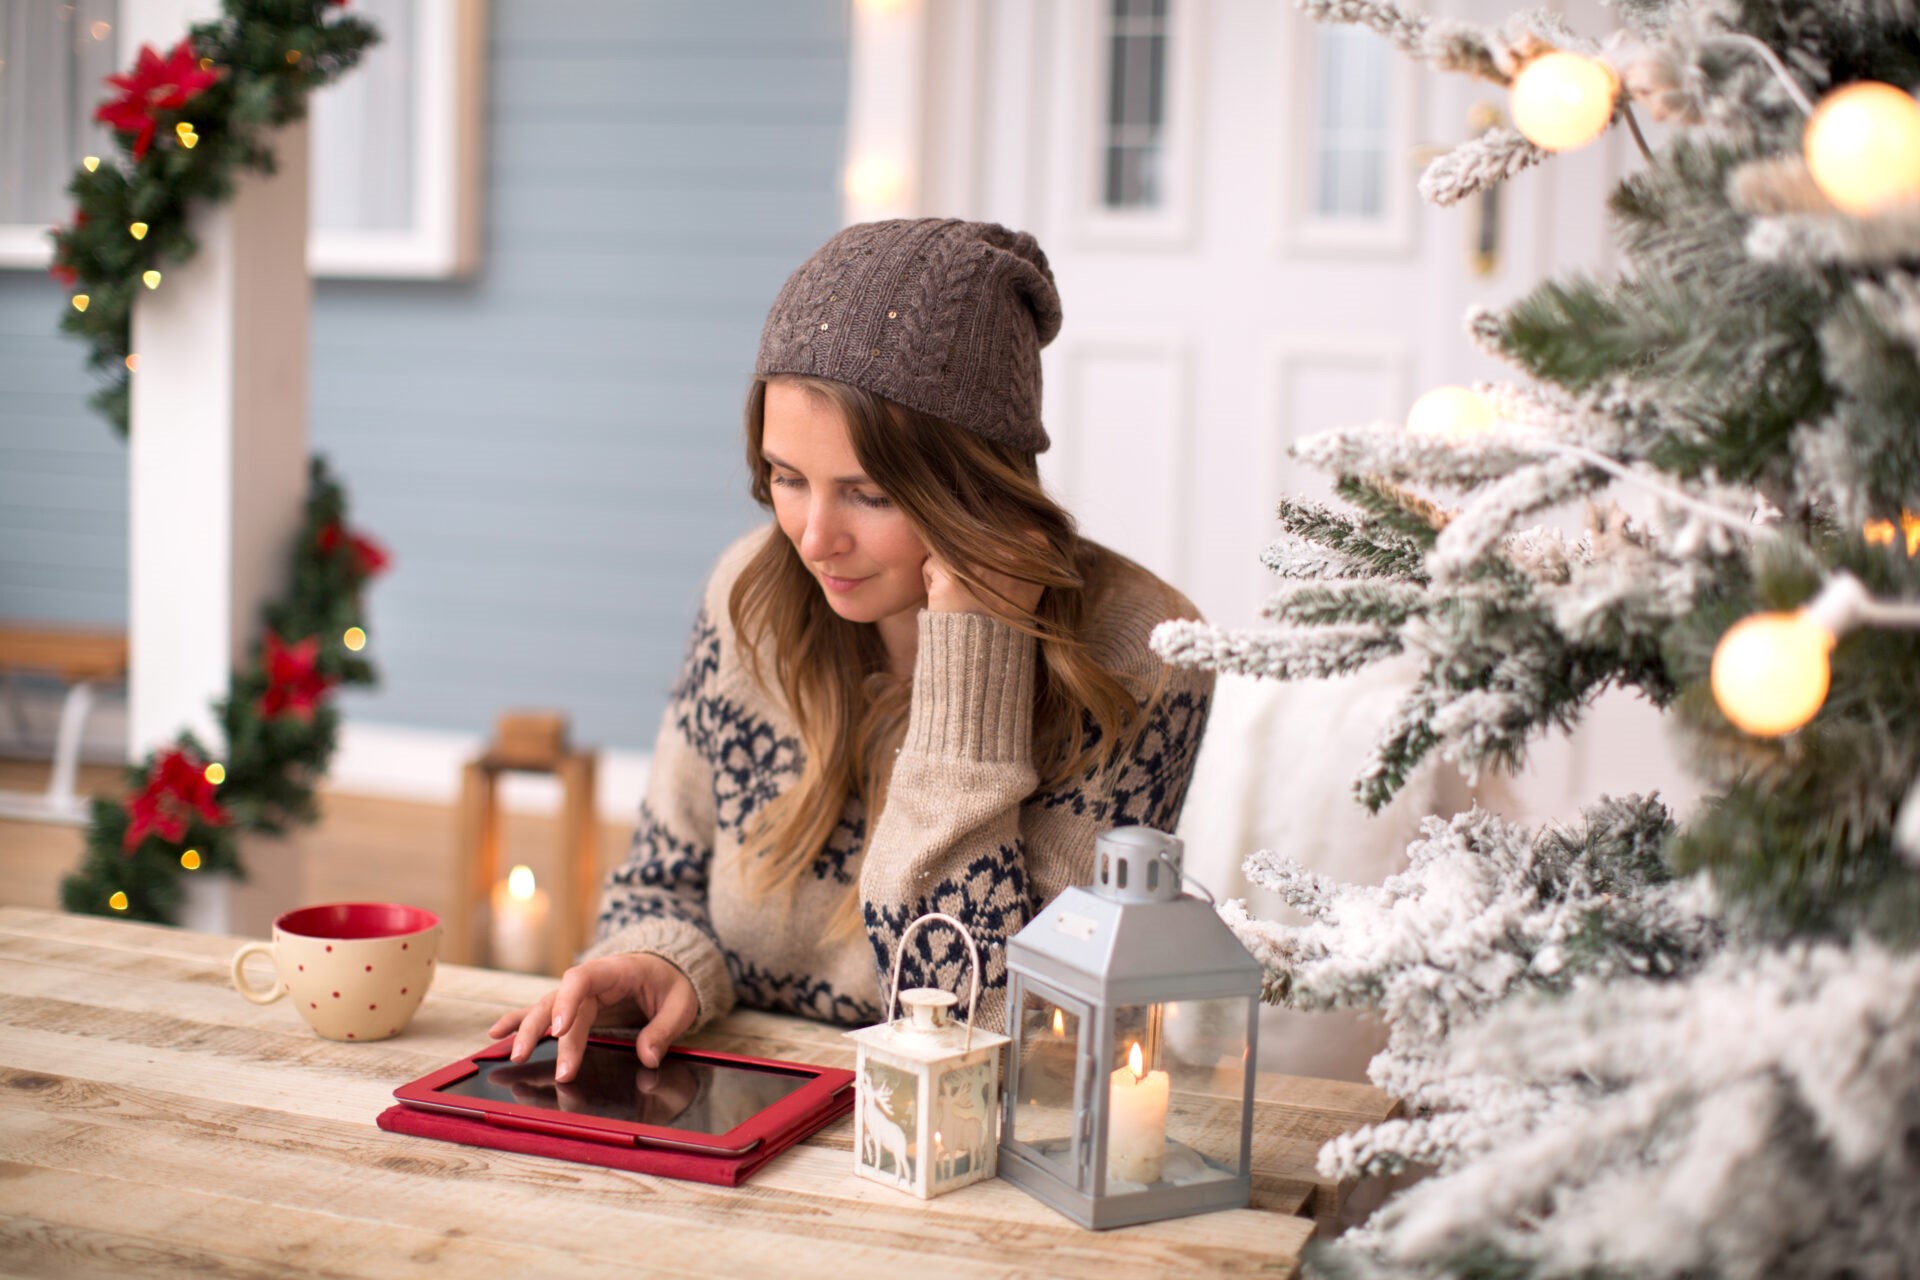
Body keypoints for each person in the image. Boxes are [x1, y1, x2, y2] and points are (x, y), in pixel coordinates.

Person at [490, 218, 1214, 1083]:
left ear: (976, 485)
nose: (812, 538)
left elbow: (994, 1040)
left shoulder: (1144, 653)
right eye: (786, 479)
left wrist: (969, 666)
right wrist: (660, 962)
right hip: (731, 1102)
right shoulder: (748, 600)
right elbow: (660, 883)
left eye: (867, 494)